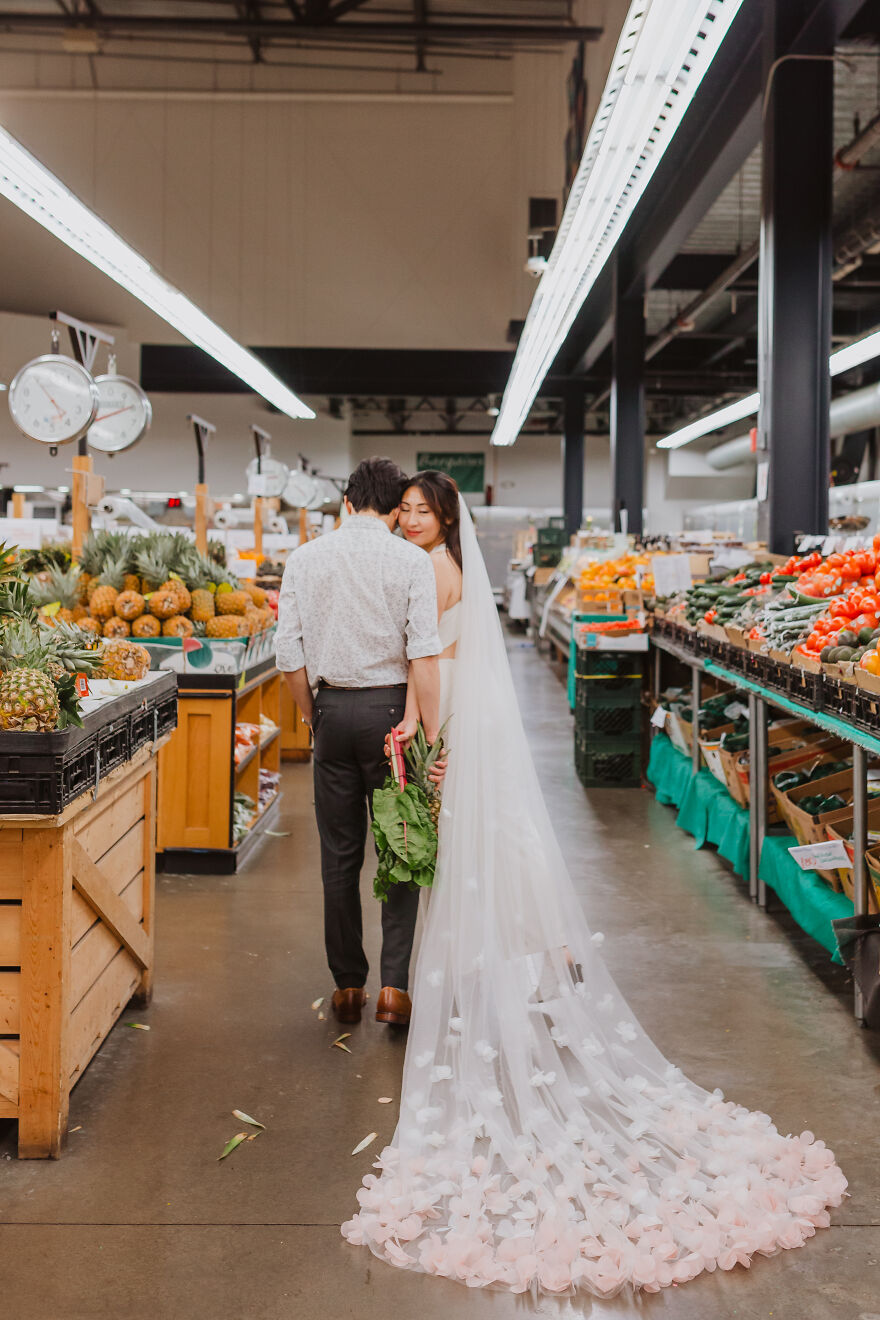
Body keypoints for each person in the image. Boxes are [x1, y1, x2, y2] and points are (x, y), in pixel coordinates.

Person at [342, 477, 847, 1299]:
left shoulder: (428, 569)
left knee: (462, 846)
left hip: (445, 706)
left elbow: (426, 659)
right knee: (485, 845)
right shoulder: (434, 563)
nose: (408, 519)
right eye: (405, 509)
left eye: (420, 510)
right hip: (457, 702)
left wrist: (420, 732)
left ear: (443, 519)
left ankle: (492, 968)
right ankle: (519, 955)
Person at [276, 457, 442, 1030]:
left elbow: (288, 658)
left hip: (331, 711)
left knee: (339, 856)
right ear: (397, 509)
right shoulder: (410, 561)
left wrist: (312, 717)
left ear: (346, 503)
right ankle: (394, 987)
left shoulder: (304, 558)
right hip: (393, 717)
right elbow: (423, 653)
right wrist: (430, 733)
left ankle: (348, 985)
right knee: (401, 845)